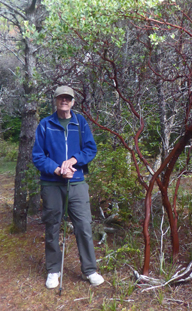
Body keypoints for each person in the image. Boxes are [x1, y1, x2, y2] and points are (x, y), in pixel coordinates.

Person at [32, 85, 104, 289]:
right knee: (52, 227)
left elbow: (91, 149)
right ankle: (53, 271)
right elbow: (37, 156)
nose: (64, 101)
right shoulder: (45, 124)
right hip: (52, 183)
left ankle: (90, 270)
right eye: (61, 98)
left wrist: (73, 161)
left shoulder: (80, 123)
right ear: (55, 101)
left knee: (84, 226)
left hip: (77, 181)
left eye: (68, 98)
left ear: (73, 102)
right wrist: (56, 170)